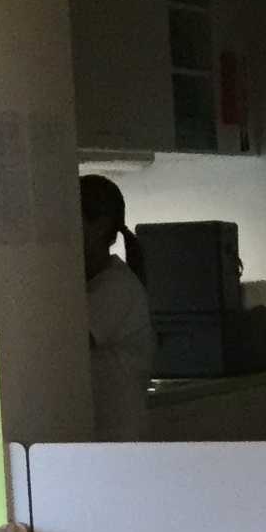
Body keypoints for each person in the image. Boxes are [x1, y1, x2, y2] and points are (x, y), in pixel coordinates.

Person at [81, 174, 152, 442]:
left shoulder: (116, 288)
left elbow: (67, 345)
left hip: (116, 441)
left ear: (99, 227)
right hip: (105, 440)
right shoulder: (96, 285)